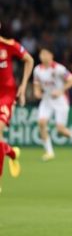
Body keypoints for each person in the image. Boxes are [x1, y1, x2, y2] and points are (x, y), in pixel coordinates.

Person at [0, 22, 33, 192]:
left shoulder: (8, 45)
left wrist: (23, 85)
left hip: (5, 96)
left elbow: (29, 60)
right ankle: (11, 152)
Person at [33, 47, 72, 161]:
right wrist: (37, 93)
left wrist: (61, 90)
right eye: (41, 54)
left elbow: (71, 80)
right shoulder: (37, 70)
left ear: (51, 55)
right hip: (47, 100)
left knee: (60, 129)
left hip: (60, 100)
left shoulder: (59, 68)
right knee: (41, 123)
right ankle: (49, 152)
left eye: (45, 54)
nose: (43, 56)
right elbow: (36, 84)